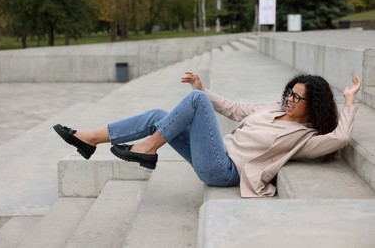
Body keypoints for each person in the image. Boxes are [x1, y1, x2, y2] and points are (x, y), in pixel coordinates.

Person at [53, 72, 362, 197]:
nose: (290, 100)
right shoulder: (273, 109)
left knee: (195, 103)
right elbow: (234, 109)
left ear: (314, 105)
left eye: (298, 98)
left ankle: (148, 148)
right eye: (290, 93)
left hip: (225, 170)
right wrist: (201, 90)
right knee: (158, 116)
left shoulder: (304, 138)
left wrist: (349, 100)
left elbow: (340, 139)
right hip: (214, 153)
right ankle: (89, 139)